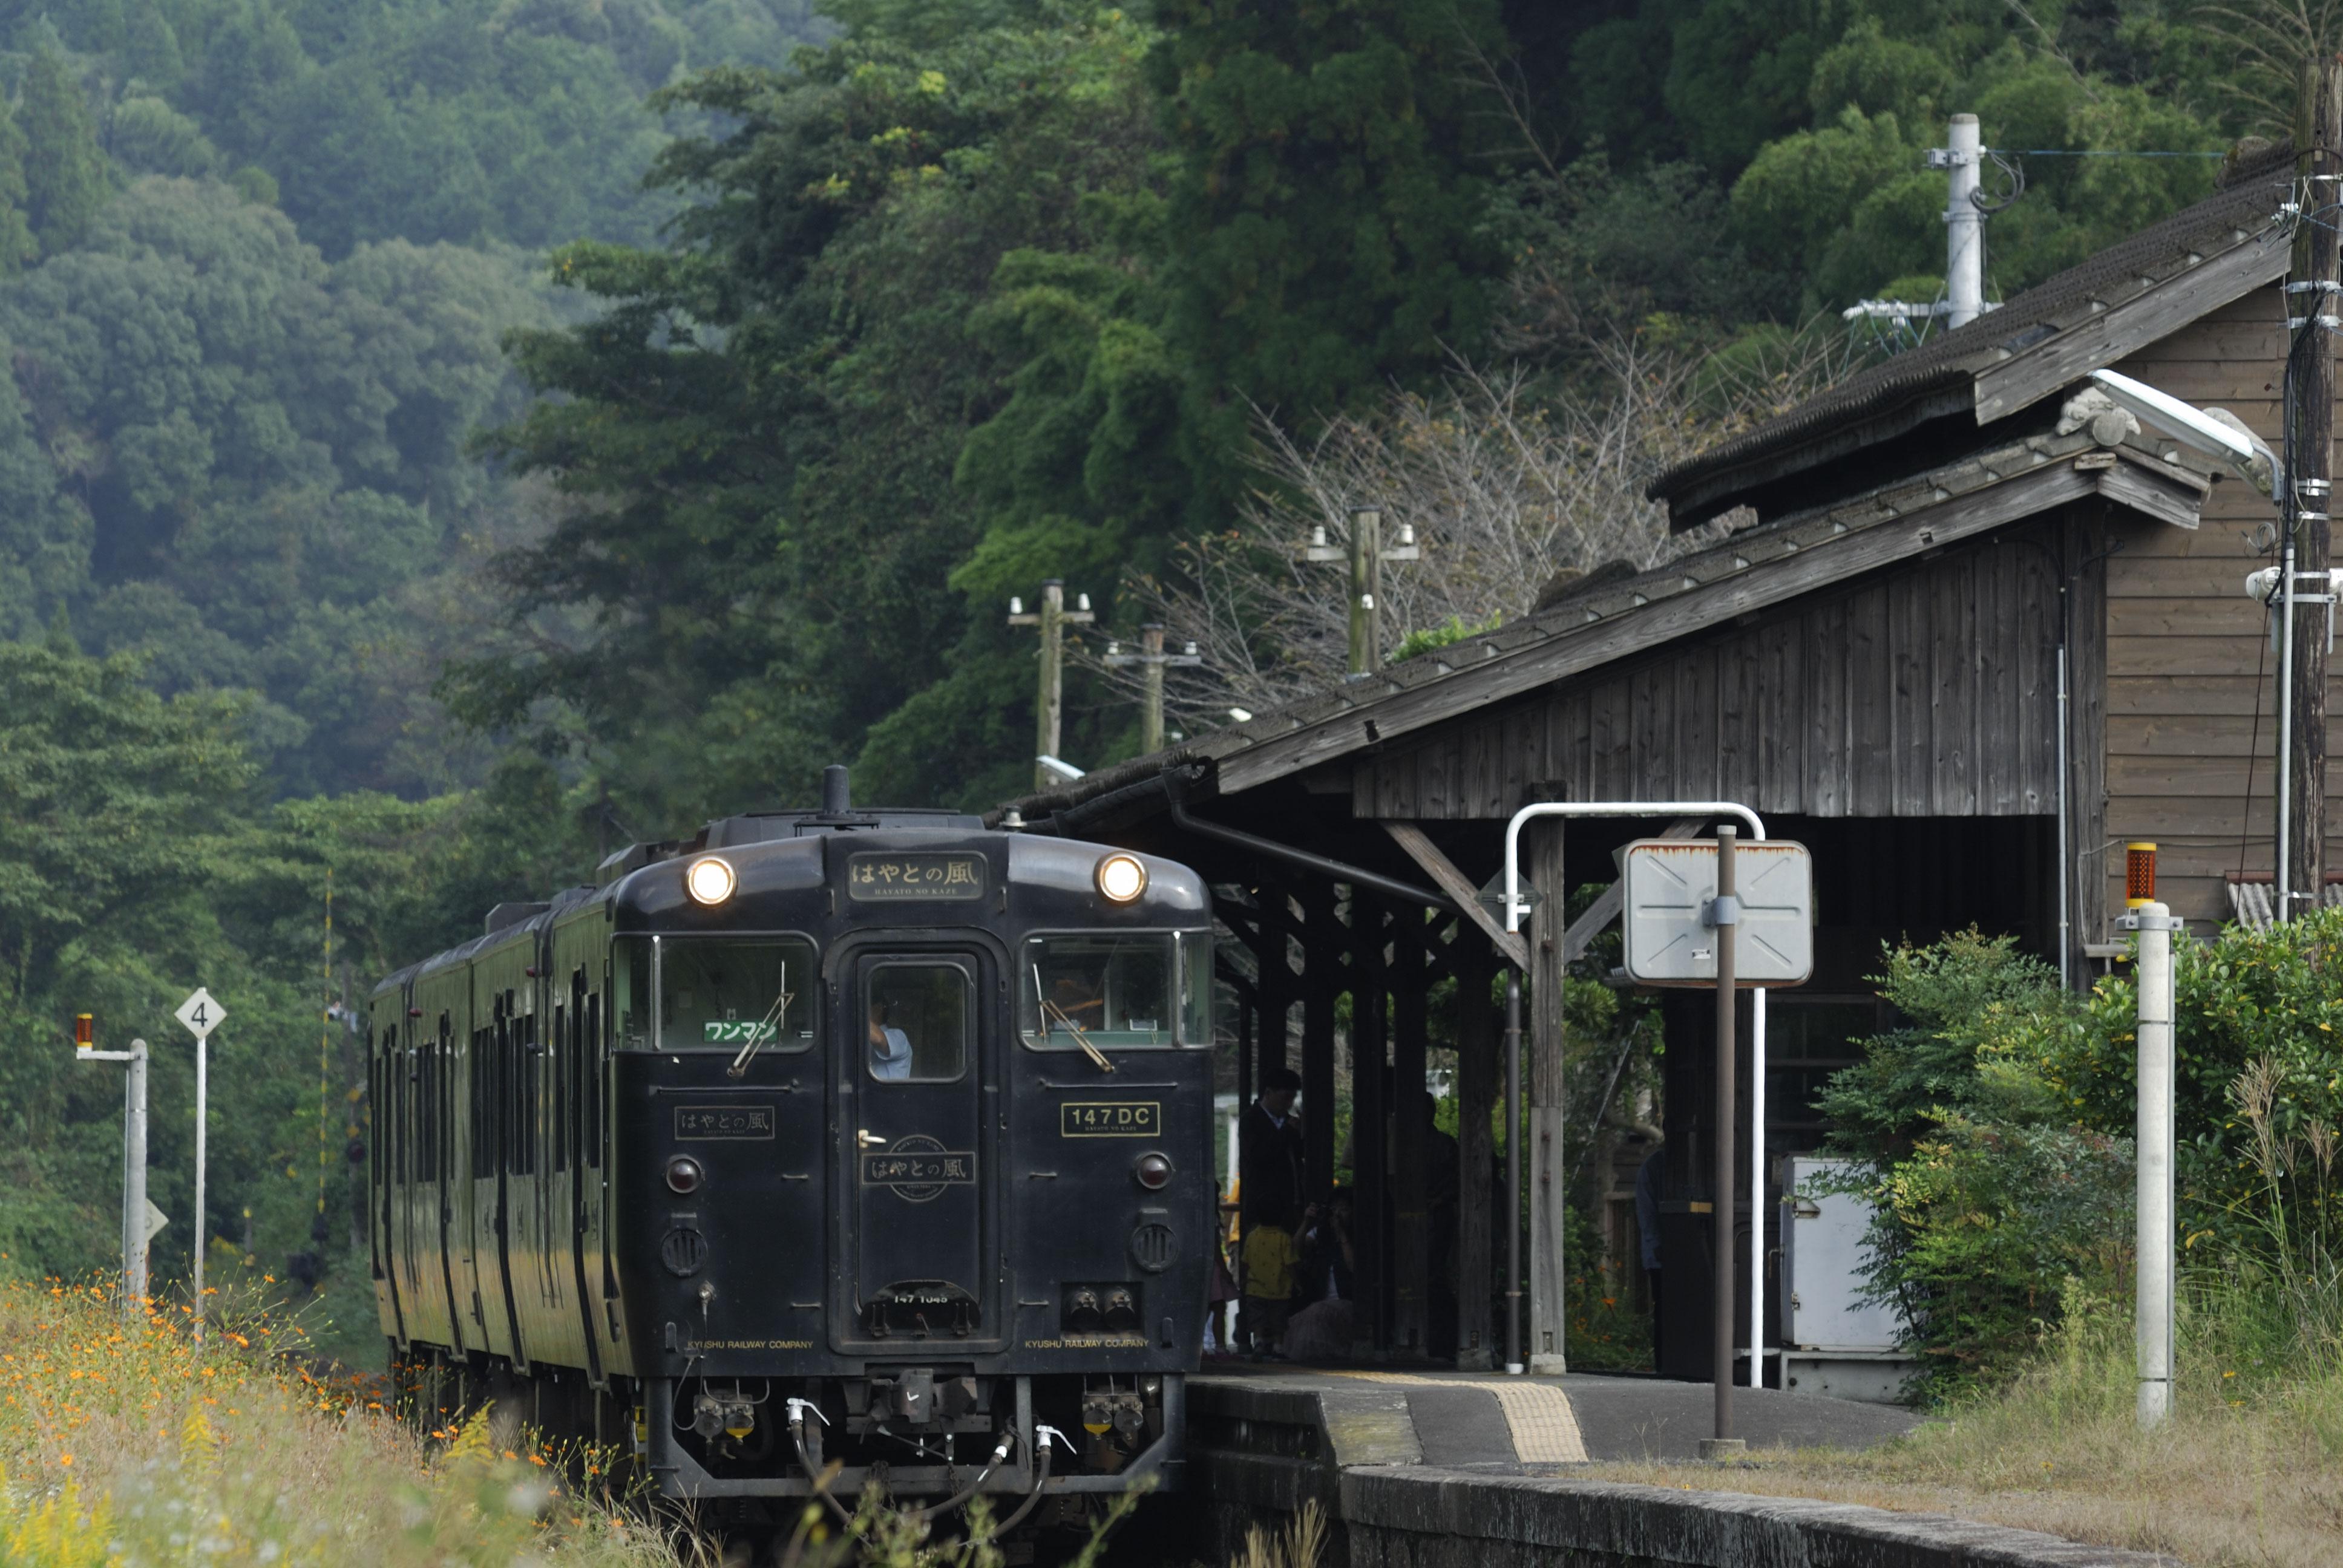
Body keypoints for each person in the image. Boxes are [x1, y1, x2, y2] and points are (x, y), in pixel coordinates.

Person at [1239, 1066, 1306, 1356]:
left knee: (1285, 1270)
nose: (1288, 1103)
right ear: (1268, 1093)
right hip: (1261, 1205)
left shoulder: (1288, 1123)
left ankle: (1279, 1337)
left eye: (1292, 1098)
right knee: (1258, 1274)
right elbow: (1258, 1156)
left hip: (1287, 1203)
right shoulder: (1251, 1120)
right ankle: (1256, 1335)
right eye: (1285, 1097)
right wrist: (1284, 1133)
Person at [1635, 1146, 1665, 1370]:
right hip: (1659, 1255)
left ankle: (1665, 1362)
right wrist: (1656, 1246)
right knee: (1663, 1309)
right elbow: (1647, 1214)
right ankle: (1663, 1362)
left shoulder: (1654, 1165)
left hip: (1658, 1252)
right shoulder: (1654, 1166)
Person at [868, 1000, 913, 1081]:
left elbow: (879, 1039)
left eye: (865, 1007)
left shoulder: (900, 1037)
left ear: (878, 1008)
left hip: (890, 1093)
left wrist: (855, 1015)